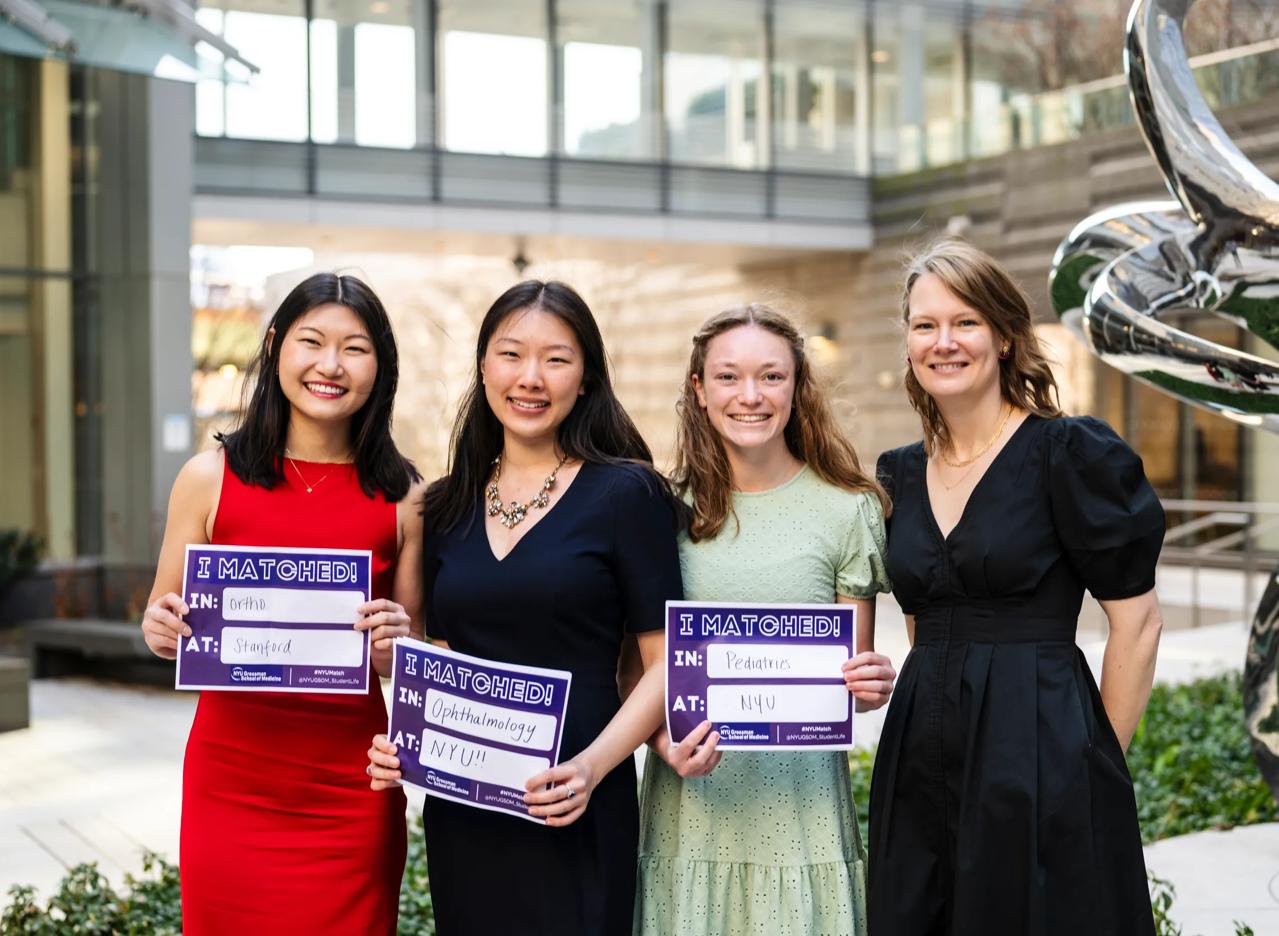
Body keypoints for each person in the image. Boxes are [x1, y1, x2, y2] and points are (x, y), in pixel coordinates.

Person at [366, 280, 683, 935]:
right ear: (483, 367)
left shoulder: (627, 493)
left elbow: (664, 665)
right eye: (510, 355)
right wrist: (408, 739)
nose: (530, 377)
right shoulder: (443, 505)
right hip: (466, 808)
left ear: (586, 377)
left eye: (556, 359)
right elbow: (440, 657)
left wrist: (591, 770)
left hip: (576, 794)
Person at [868, 239, 1165, 935]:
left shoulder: (1068, 453)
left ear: (1003, 337)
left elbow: (1138, 624)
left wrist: (1093, 766)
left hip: (1039, 746)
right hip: (919, 749)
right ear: (908, 342)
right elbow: (922, 618)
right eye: (924, 325)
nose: (943, 342)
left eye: (964, 322)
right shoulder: (897, 473)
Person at [141, 273, 423, 935]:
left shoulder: (405, 494)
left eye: (354, 348)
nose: (330, 365)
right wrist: (159, 627)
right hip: (230, 783)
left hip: (350, 791)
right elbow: (164, 620)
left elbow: (414, 660)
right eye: (311, 342)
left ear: (380, 366)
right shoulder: (207, 477)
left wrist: (398, 644)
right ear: (274, 348)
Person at [634, 305, 896, 936]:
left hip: (802, 811)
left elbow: (848, 686)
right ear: (698, 389)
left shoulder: (847, 510)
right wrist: (662, 742)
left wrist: (870, 683)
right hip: (691, 806)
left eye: (771, 377)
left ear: (797, 386)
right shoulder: (658, 512)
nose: (750, 396)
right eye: (728, 377)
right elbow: (639, 673)